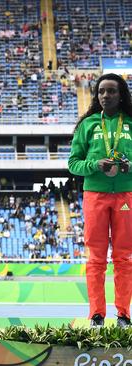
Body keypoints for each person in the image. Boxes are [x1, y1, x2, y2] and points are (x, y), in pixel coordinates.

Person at [68, 73, 132, 328]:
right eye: (101, 92)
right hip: (94, 196)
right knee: (95, 257)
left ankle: (124, 314)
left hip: (126, 195)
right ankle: (96, 314)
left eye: (112, 91)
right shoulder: (88, 125)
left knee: (124, 257)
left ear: (121, 94)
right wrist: (95, 164)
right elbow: (73, 163)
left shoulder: (130, 123)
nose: (106, 96)